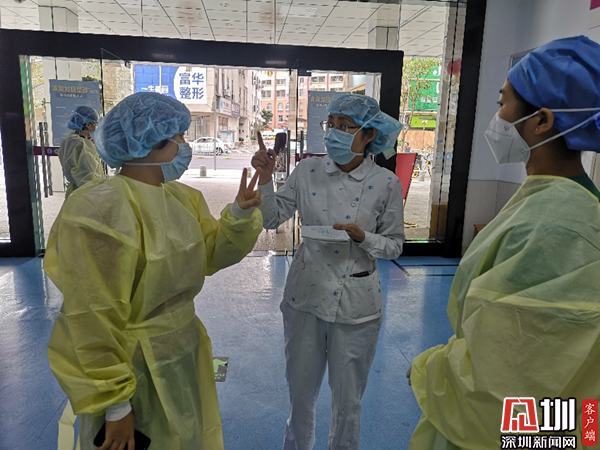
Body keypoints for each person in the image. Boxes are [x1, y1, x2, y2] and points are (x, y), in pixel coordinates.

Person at [407, 36, 600, 449]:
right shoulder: (557, 199)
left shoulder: (555, 225)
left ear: (541, 121)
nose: (497, 118)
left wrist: (432, 370)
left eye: (503, 103)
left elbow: (508, 374)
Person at [45, 92, 263, 450]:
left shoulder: (182, 199)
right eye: (179, 137)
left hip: (182, 352)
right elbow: (91, 313)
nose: (184, 145)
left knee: (186, 438)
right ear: (151, 142)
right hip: (132, 368)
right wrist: (115, 405)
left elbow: (210, 253)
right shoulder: (98, 210)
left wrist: (239, 214)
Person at [252, 94, 405, 450]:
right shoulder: (308, 171)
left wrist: (363, 237)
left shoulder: (386, 183)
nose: (332, 133)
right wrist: (265, 180)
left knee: (348, 403)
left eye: (344, 126)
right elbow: (271, 218)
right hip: (305, 296)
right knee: (300, 394)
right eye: (330, 124)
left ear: (369, 134)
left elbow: (394, 245)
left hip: (356, 307)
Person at [57, 105, 104, 198]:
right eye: (95, 124)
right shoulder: (82, 144)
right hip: (86, 194)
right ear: (88, 124)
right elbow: (89, 176)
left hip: (75, 192)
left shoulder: (69, 140)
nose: (96, 127)